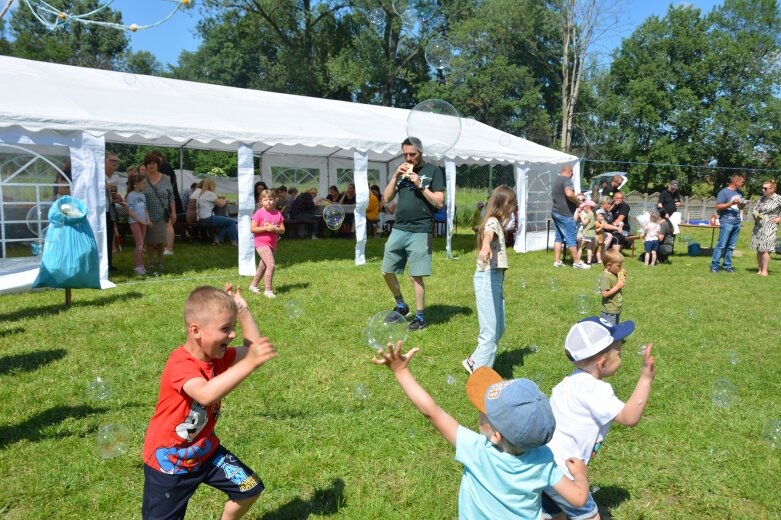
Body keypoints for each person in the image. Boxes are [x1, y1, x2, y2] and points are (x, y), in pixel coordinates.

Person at [373, 342, 589, 519]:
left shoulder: (476, 450)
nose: (480, 411)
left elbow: (432, 412)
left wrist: (401, 371)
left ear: (496, 435)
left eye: (485, 411)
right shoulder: (542, 459)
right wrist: (579, 473)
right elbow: (579, 498)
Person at [142, 284, 277, 520]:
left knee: (248, 489)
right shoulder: (180, 364)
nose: (233, 335)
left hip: (206, 451)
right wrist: (249, 363)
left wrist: (242, 310)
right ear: (196, 330)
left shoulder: (218, 357)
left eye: (233, 327)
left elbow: (253, 349)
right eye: (225, 329)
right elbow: (204, 394)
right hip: (170, 464)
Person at [541, 317, 656, 520]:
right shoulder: (596, 390)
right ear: (602, 364)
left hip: (542, 462)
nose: (622, 357)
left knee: (556, 514)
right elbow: (630, 417)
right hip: (566, 472)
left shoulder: (566, 383)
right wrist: (646, 378)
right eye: (619, 354)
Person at [381, 137, 446, 331]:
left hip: (421, 229)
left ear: (421, 151)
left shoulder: (433, 171)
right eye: (406, 154)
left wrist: (419, 183)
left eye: (413, 154)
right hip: (400, 228)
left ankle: (420, 317)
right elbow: (386, 198)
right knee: (386, 270)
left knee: (415, 276)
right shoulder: (402, 170)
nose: (409, 158)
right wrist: (395, 177)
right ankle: (401, 306)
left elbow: (439, 202)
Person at [462, 185, 516, 374]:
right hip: (487, 279)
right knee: (490, 333)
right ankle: (481, 377)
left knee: (499, 327)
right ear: (503, 203)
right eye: (512, 203)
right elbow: (488, 234)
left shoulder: (498, 221)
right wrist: (485, 246)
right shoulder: (492, 221)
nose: (514, 207)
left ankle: (473, 361)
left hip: (495, 279)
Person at [551, 164, 590, 269]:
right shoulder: (567, 180)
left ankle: (557, 261)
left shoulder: (556, 180)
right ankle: (577, 262)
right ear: (571, 172)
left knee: (558, 237)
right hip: (565, 214)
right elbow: (569, 194)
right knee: (571, 238)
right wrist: (578, 203)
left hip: (555, 212)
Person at [143, 153, 176, 273]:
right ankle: (150, 261)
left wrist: (174, 212)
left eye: (153, 163)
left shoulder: (165, 178)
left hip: (162, 213)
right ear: (146, 166)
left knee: (162, 240)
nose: (151, 165)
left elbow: (171, 197)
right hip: (147, 214)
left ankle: (160, 260)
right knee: (149, 240)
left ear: (158, 165)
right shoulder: (142, 178)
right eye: (148, 163)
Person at [249, 190, 285, 297]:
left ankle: (253, 286)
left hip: (272, 243)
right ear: (261, 201)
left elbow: (283, 229)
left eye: (271, 199)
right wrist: (266, 228)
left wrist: (275, 229)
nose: (268, 202)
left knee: (263, 266)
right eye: (265, 200)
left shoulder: (278, 214)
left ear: (275, 200)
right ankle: (268, 291)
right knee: (271, 264)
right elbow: (253, 229)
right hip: (261, 243)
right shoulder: (259, 212)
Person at [710, 173, 748, 273]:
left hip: (736, 222)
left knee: (731, 246)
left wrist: (742, 205)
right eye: (742, 182)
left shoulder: (739, 193)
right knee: (721, 245)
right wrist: (731, 203)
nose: (743, 183)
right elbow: (718, 207)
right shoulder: (724, 192)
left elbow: (739, 208)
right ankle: (714, 266)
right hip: (726, 221)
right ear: (736, 182)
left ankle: (727, 266)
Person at [149, 151, 182, 257]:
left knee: (167, 224)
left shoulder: (165, 167)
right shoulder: (159, 168)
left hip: (165, 200)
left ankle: (169, 248)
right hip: (161, 201)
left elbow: (168, 187)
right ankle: (161, 246)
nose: (154, 163)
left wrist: (173, 211)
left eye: (156, 159)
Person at [750, 179, 781, 276]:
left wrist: (779, 218)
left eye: (765, 188)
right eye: (762, 188)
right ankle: (760, 269)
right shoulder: (761, 199)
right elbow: (755, 209)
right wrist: (755, 215)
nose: (763, 190)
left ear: (772, 189)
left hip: (770, 225)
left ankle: (765, 271)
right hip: (759, 225)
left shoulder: (778, 198)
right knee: (759, 248)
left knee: (766, 248)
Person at [196, 178, 238, 246]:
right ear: (211, 185)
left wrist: (220, 199)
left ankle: (217, 240)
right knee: (231, 222)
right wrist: (225, 199)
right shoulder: (209, 193)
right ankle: (234, 242)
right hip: (208, 219)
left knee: (226, 222)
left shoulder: (202, 193)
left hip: (202, 219)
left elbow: (215, 201)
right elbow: (221, 205)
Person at [126, 174, 151, 276]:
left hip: (143, 222)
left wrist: (147, 220)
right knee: (139, 243)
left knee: (141, 244)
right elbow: (130, 212)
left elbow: (145, 209)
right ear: (136, 184)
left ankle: (141, 264)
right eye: (143, 183)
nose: (145, 185)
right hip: (135, 222)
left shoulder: (142, 195)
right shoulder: (131, 195)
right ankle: (137, 266)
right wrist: (141, 221)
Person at [104, 151, 122, 272]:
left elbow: (113, 195)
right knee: (101, 238)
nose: (114, 163)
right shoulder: (98, 175)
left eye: (116, 161)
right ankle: (100, 264)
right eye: (111, 160)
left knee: (109, 237)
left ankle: (109, 264)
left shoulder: (115, 177)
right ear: (105, 161)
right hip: (98, 211)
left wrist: (117, 197)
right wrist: (104, 187)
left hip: (109, 209)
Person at [599, 250, 626, 325]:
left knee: (614, 328)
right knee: (609, 330)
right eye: (618, 266)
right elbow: (604, 294)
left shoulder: (613, 273)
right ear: (609, 265)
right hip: (609, 311)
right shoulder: (605, 277)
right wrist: (617, 286)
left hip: (615, 308)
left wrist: (622, 276)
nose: (620, 268)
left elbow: (617, 281)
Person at [577, 200, 597, 265]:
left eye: (584, 207)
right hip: (591, 234)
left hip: (586, 233)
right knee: (589, 248)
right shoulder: (593, 214)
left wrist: (580, 215)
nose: (583, 208)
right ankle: (589, 261)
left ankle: (577, 260)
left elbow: (584, 223)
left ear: (587, 206)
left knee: (580, 247)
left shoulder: (589, 214)